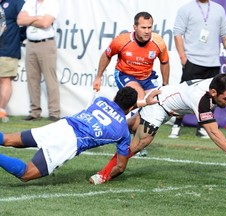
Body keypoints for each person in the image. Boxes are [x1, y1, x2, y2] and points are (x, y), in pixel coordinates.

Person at [90, 74, 226, 185]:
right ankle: (103, 175)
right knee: (139, 144)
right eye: (225, 99)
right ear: (213, 92)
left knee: (130, 125)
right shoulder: (201, 98)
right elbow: (213, 132)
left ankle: (94, 128)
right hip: (160, 105)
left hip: (169, 101)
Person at [0, 87, 139, 182]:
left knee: (7, 139)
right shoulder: (122, 131)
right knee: (26, 174)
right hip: (70, 141)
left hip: (61, 125)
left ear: (115, 96)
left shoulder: (100, 100)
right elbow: (120, 167)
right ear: (132, 108)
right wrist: (102, 178)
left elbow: (117, 107)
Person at [93, 11, 170, 157]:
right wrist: (98, 77)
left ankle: (129, 135)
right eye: (143, 27)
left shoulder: (158, 42)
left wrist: (165, 85)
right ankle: (131, 141)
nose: (147, 31)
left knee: (155, 104)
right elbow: (107, 55)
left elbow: (165, 62)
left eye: (149, 27)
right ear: (134, 27)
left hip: (147, 77)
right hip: (125, 74)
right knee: (140, 97)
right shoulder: (122, 40)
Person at [169, 0, 226, 139]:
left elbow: (225, 34)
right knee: (183, 93)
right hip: (192, 60)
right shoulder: (185, 9)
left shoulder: (218, 9)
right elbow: (177, 33)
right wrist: (183, 57)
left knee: (211, 97)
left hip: (212, 61)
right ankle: (177, 124)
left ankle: (202, 127)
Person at [17, 0, 60, 122]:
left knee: (50, 79)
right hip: (30, 44)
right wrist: (37, 18)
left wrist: (29, 19)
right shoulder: (29, 2)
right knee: (32, 79)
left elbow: (46, 23)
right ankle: (35, 112)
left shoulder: (52, 3)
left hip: (46, 43)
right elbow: (20, 20)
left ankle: (54, 112)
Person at [0, 0, 25, 122]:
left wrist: (17, 38)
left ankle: (1, 110)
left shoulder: (16, 2)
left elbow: (25, 22)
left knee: (5, 79)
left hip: (8, 49)